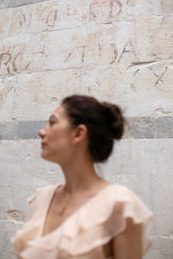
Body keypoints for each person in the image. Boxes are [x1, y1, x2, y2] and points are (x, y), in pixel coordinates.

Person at [12, 95, 153, 259]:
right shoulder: (42, 199)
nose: (41, 132)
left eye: (52, 122)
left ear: (78, 133)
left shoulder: (120, 205)